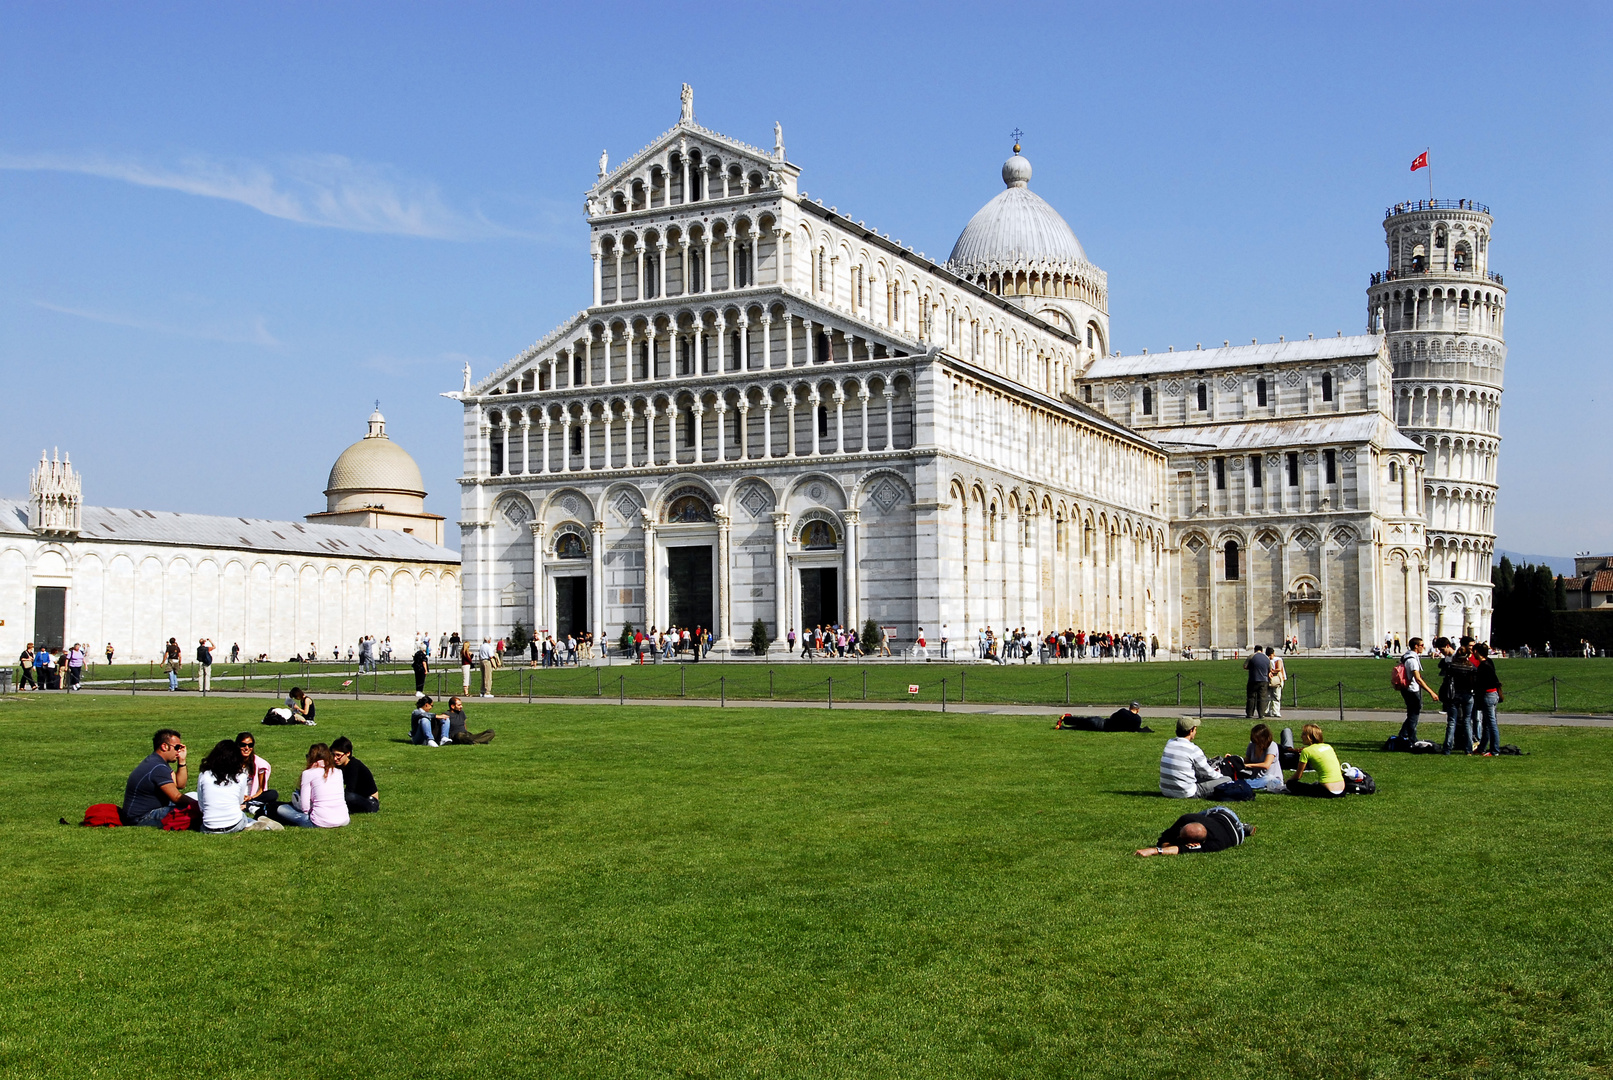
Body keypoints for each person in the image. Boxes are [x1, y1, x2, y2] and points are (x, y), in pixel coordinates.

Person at [122, 728, 189, 826]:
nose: (179, 751)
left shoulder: (156, 761)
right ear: (164, 746)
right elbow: (176, 797)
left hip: (142, 813)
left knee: (191, 799)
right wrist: (200, 804)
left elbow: (180, 784)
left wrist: (182, 761)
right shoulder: (158, 767)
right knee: (192, 812)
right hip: (141, 817)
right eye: (177, 747)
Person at [275, 744, 350, 829]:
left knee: (282, 809)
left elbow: (305, 808)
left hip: (320, 821)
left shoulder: (308, 773)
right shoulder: (338, 772)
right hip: (343, 819)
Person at [1136, 807, 1255, 856]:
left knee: (1238, 828)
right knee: (1207, 813)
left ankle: (1242, 826)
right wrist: (1165, 843)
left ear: (1196, 843)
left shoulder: (1216, 843)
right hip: (1220, 813)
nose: (1177, 837)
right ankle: (1242, 825)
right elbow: (1164, 837)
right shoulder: (1188, 819)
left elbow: (1182, 849)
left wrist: (1154, 851)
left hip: (1236, 831)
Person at [1160, 717, 1227, 798]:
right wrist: (1221, 776)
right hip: (1185, 792)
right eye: (1195, 729)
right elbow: (1208, 773)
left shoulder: (1169, 743)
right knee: (1227, 780)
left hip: (1165, 790)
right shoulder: (1193, 749)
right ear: (1191, 731)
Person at [196, 738, 253, 833]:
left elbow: (201, 805)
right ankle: (253, 823)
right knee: (243, 816)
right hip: (234, 824)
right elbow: (240, 801)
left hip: (209, 827)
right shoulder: (241, 776)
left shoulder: (204, 775)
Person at [1439, 640, 1478, 755]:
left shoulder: (1451, 666)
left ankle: (1447, 748)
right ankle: (1468, 748)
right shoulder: (1471, 666)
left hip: (1454, 694)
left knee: (1451, 722)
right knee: (1467, 722)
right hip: (1467, 694)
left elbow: (1445, 675)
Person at [1288, 723, 1346, 797]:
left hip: (1327, 791)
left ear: (1310, 737)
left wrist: (1288, 781)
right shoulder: (1328, 746)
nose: (1301, 736)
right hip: (1342, 790)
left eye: (1304, 734)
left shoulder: (1306, 751)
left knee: (1291, 784)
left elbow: (1298, 776)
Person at [1397, 637, 1436, 741]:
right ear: (1416, 646)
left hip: (1406, 688)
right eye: (1422, 645)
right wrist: (1431, 692)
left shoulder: (1406, 656)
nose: (1423, 647)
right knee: (1414, 714)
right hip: (1412, 689)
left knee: (1412, 714)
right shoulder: (1412, 660)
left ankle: (1403, 735)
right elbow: (1418, 679)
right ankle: (1410, 737)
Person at [330, 736, 379, 814]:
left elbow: (350, 789)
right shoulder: (339, 765)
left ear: (348, 753)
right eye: (333, 755)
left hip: (370, 801)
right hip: (357, 797)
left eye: (338, 755)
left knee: (347, 796)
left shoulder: (354, 765)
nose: (335, 758)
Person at [1472, 642, 1503, 756]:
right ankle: (1482, 748)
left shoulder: (1483, 667)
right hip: (1493, 694)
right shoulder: (1489, 662)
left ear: (1476, 652)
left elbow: (1482, 684)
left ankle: (1495, 750)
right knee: (1487, 723)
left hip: (1488, 695)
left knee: (1491, 723)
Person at [1244, 723, 1285, 793]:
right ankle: (1245, 783)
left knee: (1268, 778)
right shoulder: (1252, 745)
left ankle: (1242, 784)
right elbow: (1246, 760)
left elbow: (1266, 765)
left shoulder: (1272, 746)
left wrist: (1249, 765)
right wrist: (1235, 759)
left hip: (1273, 778)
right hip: (1256, 777)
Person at [235, 732, 275, 802]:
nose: (247, 748)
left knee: (272, 794)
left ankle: (248, 804)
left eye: (250, 745)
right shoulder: (230, 762)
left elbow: (261, 789)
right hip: (234, 795)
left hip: (251, 797)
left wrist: (251, 798)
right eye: (243, 745)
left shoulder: (260, 764)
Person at [1243, 646, 1271, 719]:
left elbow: (1245, 666)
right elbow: (1270, 668)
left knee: (1251, 697)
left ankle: (1250, 713)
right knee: (1262, 697)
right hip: (1264, 680)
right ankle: (1261, 714)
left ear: (1255, 650)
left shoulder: (1251, 656)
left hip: (1253, 679)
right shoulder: (1266, 658)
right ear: (1262, 650)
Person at [1264, 646, 1284, 717]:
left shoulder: (1268, 660)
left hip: (1272, 679)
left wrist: (1270, 671)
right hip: (1275, 679)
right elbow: (1279, 669)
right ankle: (1273, 711)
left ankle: (1268, 711)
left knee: (1271, 696)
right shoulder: (1277, 659)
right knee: (1274, 696)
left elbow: (1278, 668)